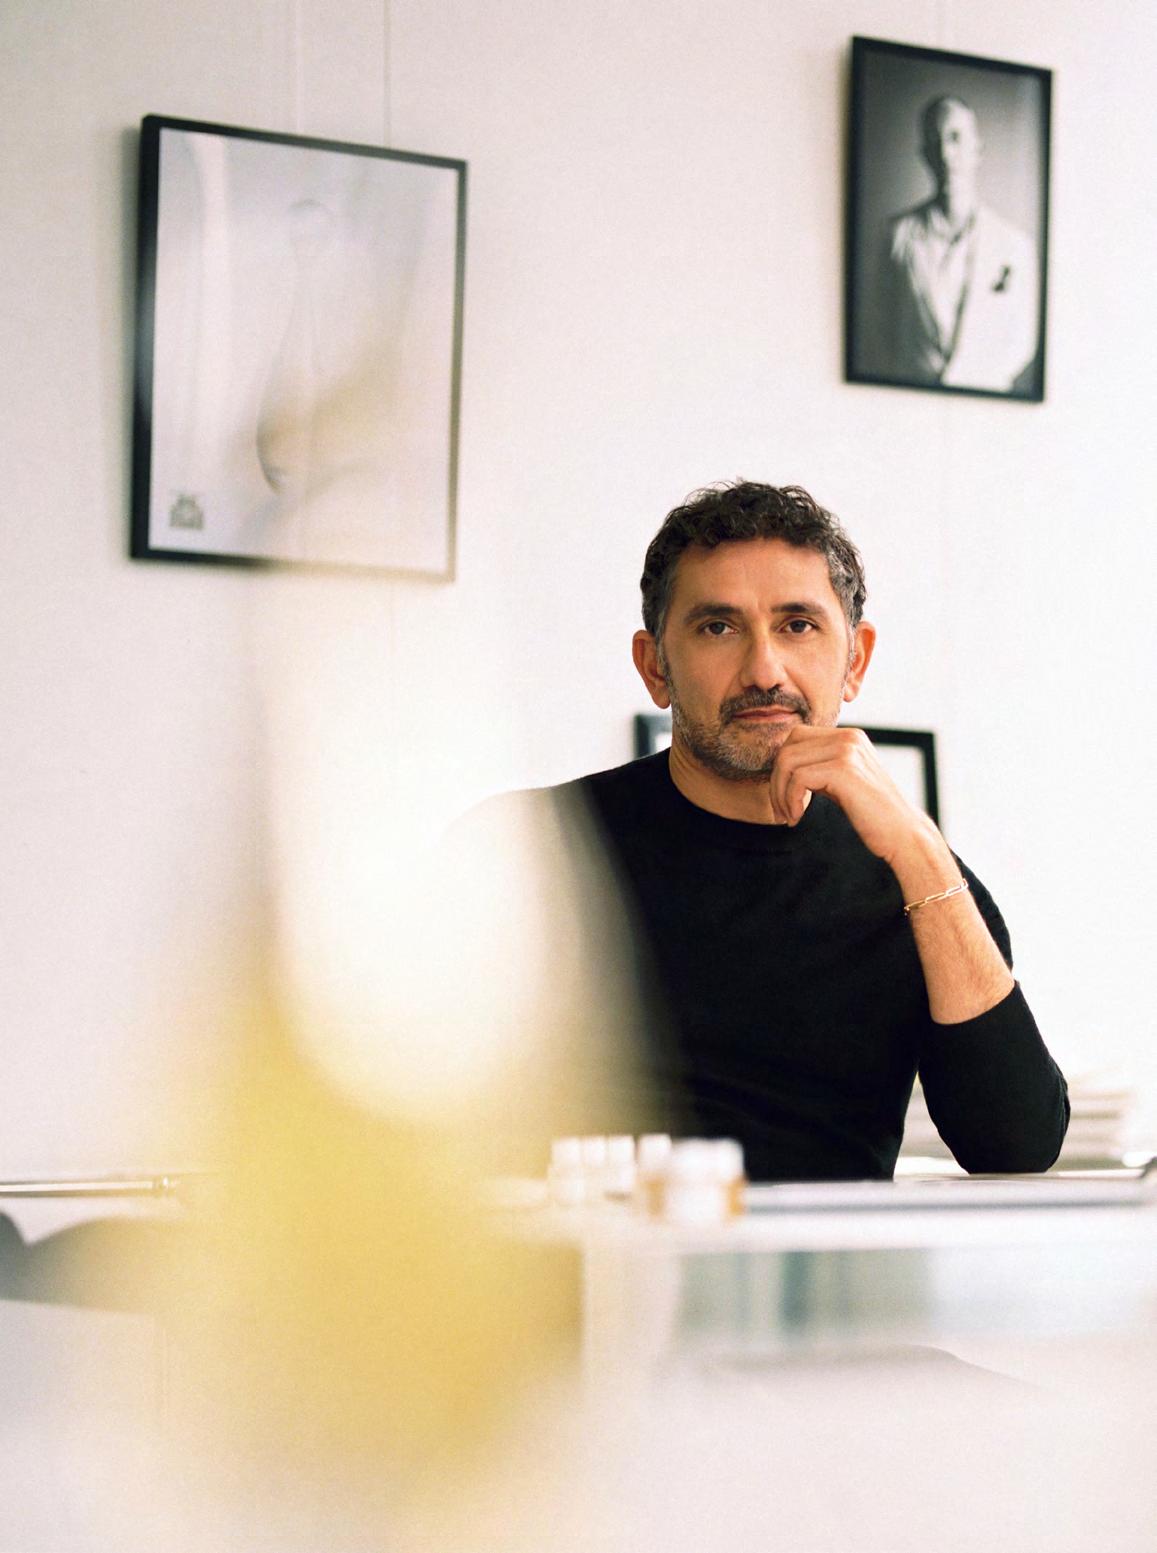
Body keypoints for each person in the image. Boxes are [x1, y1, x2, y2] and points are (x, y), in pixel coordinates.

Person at [488, 482, 1068, 1183]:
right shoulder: (520, 853)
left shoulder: (921, 884)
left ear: (855, 661)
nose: (764, 670)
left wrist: (918, 848)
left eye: (797, 625)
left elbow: (1016, 1149)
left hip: (828, 1257)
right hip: (581, 1251)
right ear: (654, 667)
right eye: (717, 627)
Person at [874, 95, 1040, 393]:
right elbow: (879, 330)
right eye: (935, 141)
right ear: (924, 154)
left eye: (955, 138)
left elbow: (1023, 339)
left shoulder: (1014, 246)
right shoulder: (896, 237)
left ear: (977, 149)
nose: (946, 154)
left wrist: (976, 379)